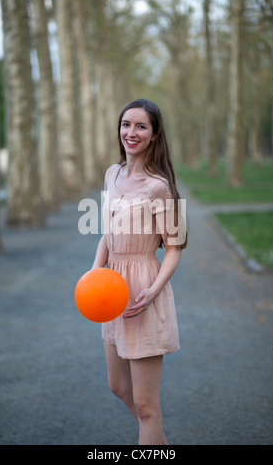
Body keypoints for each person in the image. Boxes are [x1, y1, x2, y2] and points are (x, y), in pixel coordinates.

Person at [91, 98, 187, 445]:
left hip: (143, 292)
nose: (131, 132)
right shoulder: (112, 174)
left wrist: (154, 291)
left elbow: (174, 248)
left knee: (146, 405)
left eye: (141, 126)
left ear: (154, 135)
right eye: (126, 124)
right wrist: (94, 272)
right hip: (111, 291)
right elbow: (107, 232)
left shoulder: (158, 187)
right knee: (117, 386)